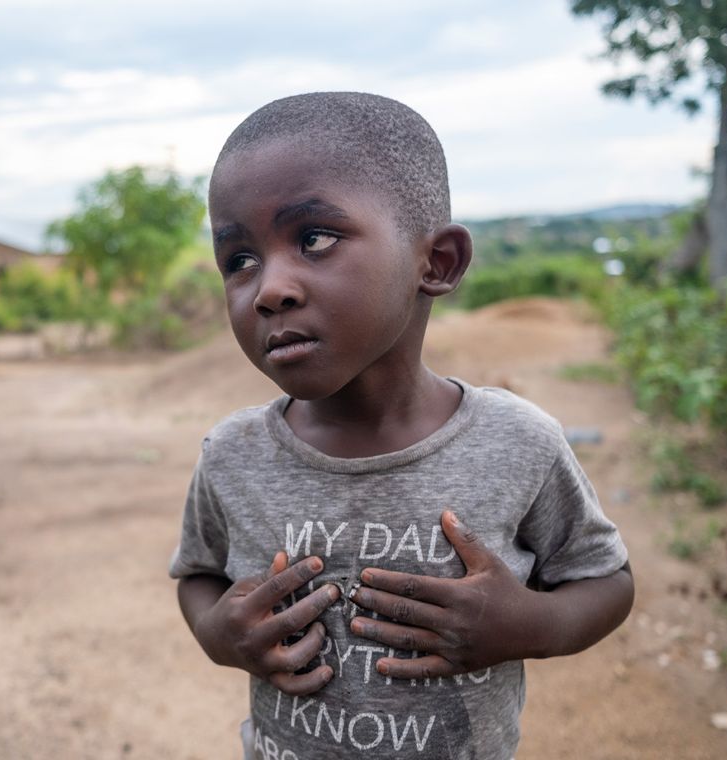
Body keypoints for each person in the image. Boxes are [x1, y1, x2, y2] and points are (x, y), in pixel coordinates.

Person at [170, 92, 633, 759]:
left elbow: (607, 582)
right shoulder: (232, 456)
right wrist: (221, 636)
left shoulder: (516, 442)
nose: (270, 288)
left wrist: (532, 623)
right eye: (238, 260)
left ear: (436, 262)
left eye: (314, 239)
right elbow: (199, 575)